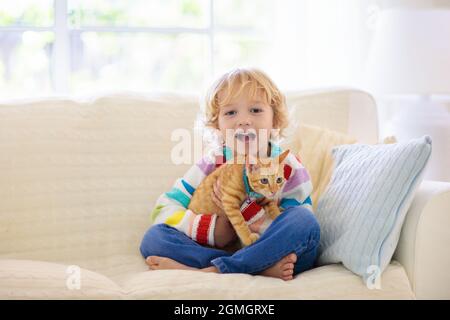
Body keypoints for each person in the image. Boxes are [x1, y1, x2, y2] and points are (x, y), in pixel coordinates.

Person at [140, 67, 320, 281]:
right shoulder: (212, 162)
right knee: (154, 238)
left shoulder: (289, 166)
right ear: (218, 125)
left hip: (270, 249)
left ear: (275, 120)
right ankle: (250, 267)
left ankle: (216, 270)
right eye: (231, 112)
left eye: (255, 110)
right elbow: (163, 208)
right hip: (228, 251)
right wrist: (213, 229)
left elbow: (292, 226)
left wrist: (248, 214)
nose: (243, 121)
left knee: (305, 222)